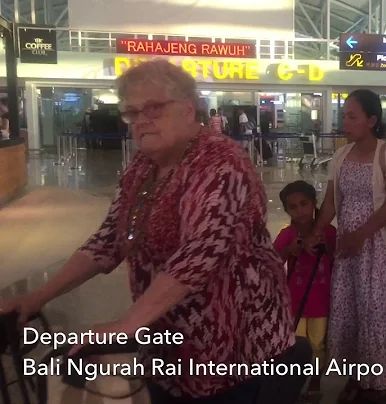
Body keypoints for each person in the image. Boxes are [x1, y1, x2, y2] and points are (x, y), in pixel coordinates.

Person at [0, 59, 296, 403]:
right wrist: (37, 297)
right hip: (167, 344)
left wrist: (126, 324)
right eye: (132, 112)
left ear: (188, 109)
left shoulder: (221, 162)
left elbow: (198, 255)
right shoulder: (143, 166)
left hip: (235, 350)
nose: (141, 120)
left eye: (153, 108)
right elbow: (109, 239)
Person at [304, 89, 386, 403]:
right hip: (351, 250)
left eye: (352, 116)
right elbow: (332, 203)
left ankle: (380, 381)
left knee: (379, 312)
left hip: (382, 249)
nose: (345, 122)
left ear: (372, 120)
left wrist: (361, 234)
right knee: (352, 312)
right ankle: (358, 374)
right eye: (344, 115)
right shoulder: (341, 155)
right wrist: (316, 231)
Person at [274, 181, 336, 403]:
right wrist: (290, 250)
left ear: (314, 203)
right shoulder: (287, 234)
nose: (300, 211)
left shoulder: (328, 232)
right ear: (287, 210)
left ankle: (316, 379)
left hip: (320, 301)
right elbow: (272, 260)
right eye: (293, 207)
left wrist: (323, 245)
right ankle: (295, 380)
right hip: (295, 302)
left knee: (318, 344)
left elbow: (338, 257)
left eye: (304, 204)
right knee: (295, 345)